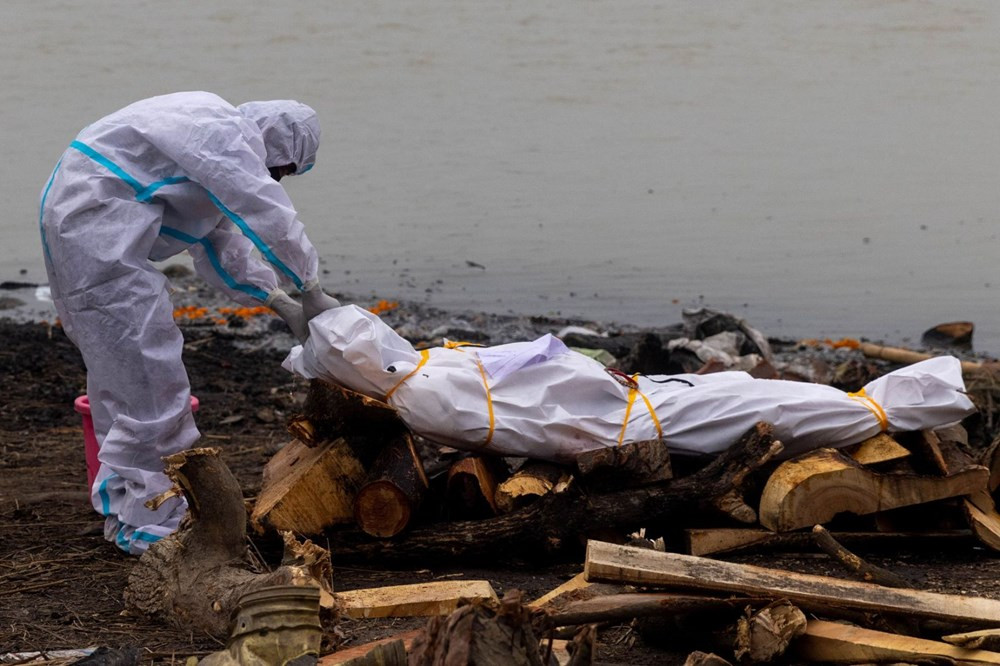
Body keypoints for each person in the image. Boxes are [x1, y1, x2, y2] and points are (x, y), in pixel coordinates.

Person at [38, 91, 340, 554]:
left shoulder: (206, 142)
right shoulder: (224, 134)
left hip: (85, 220)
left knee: (118, 377)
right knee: (149, 377)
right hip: (97, 229)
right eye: (282, 170)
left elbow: (221, 242)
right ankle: (158, 522)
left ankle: (126, 512)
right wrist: (310, 284)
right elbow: (265, 209)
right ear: (278, 147)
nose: (277, 178)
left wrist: (278, 299)